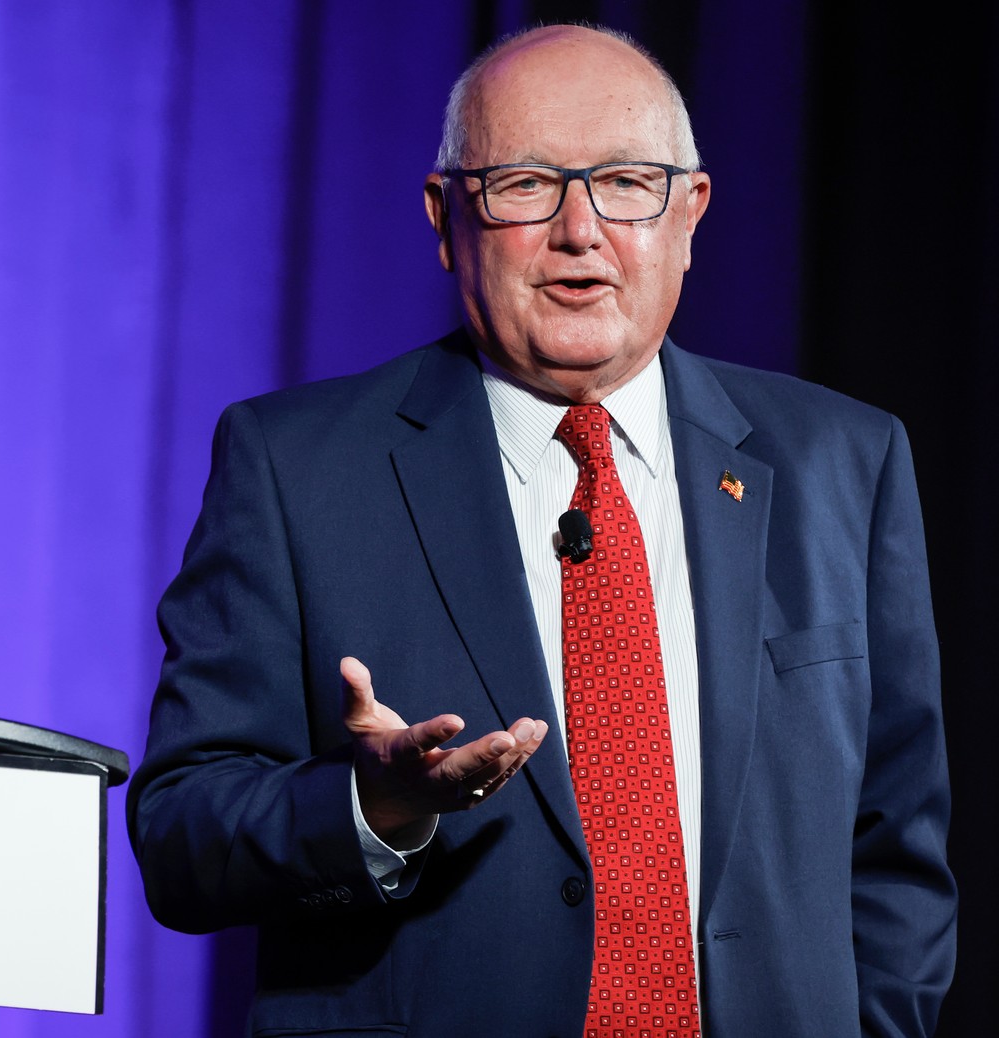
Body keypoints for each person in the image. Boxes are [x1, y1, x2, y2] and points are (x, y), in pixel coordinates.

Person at [127, 23, 955, 1037]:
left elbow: (899, 850)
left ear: (690, 214)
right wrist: (373, 806)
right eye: (525, 184)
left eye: (626, 183)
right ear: (445, 218)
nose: (580, 230)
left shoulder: (844, 462)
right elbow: (181, 835)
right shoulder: (295, 467)